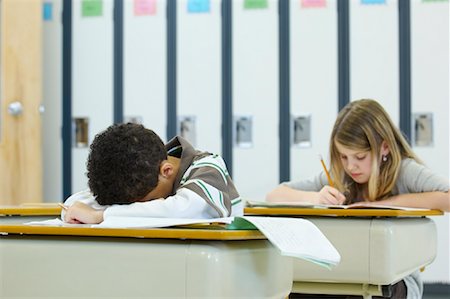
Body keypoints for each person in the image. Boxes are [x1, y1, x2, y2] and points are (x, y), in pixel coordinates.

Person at [266, 99, 449, 299]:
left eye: (359, 157)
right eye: (344, 157)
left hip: (397, 279)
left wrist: (383, 205)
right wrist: (316, 197)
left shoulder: (404, 171)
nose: (351, 166)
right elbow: (274, 195)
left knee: (365, 292)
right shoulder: (341, 176)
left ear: (384, 148)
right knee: (298, 290)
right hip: (347, 273)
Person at [62, 123, 243, 224]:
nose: (136, 209)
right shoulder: (134, 172)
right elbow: (74, 204)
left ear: (167, 171)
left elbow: (187, 209)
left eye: (147, 203)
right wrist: (79, 212)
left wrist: (100, 216)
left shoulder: (207, 166)